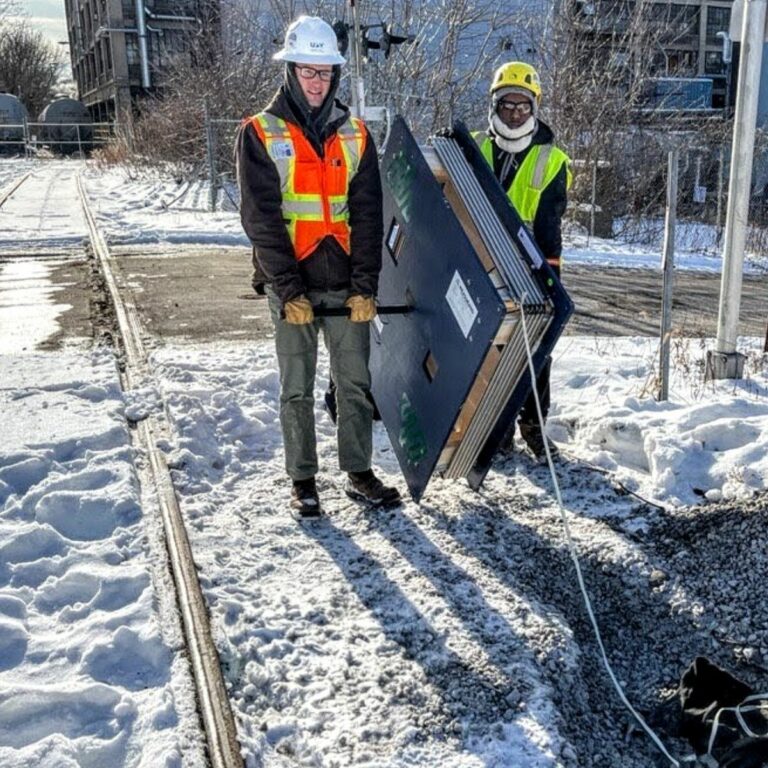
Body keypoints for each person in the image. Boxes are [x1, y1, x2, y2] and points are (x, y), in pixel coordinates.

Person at [235, 15, 401, 517]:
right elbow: (261, 220)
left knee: (354, 384)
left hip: (346, 281)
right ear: (289, 70)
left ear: (335, 74)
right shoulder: (259, 133)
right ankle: (303, 480)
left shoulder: (356, 135)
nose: (315, 82)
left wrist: (365, 285)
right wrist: (287, 291)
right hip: (294, 283)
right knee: (297, 387)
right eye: (306, 71)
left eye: (324, 72)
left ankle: (358, 472)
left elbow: (370, 216)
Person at [472, 61, 571, 458]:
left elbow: (550, 230)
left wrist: (551, 282)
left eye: (523, 106)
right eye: (507, 104)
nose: (514, 113)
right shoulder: (474, 145)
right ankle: (494, 429)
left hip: (531, 270)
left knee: (535, 352)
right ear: (494, 105)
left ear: (535, 108)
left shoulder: (552, 161)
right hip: (480, 265)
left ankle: (532, 425)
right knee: (488, 350)